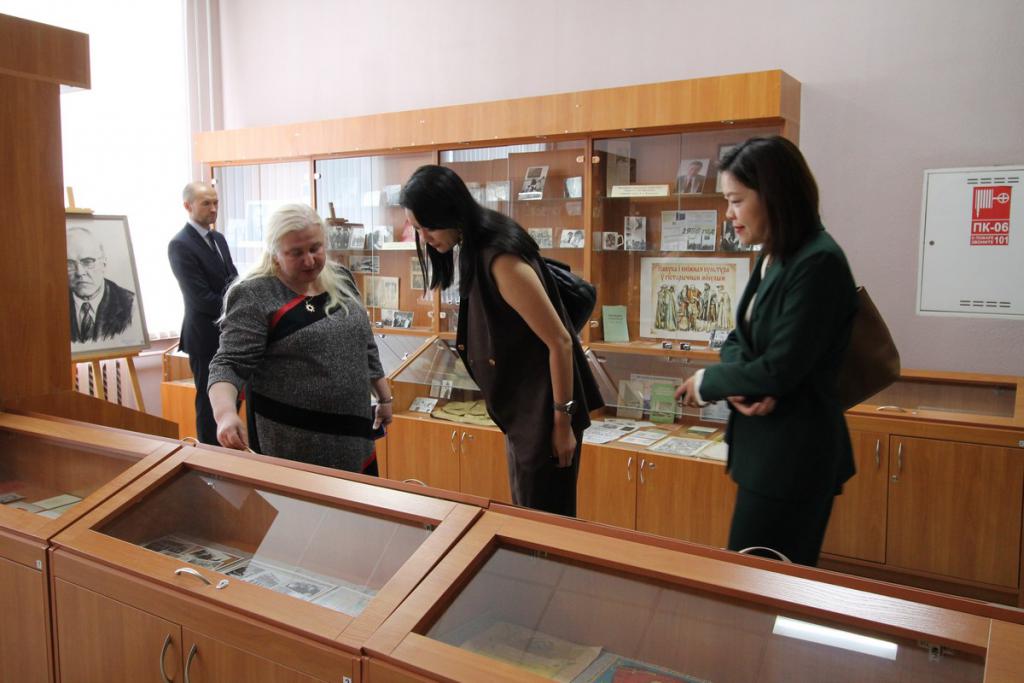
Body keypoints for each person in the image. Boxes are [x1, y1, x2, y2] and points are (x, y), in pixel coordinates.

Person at [675, 136, 858, 566]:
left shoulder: (819, 262)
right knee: (750, 574)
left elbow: (780, 368)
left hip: (793, 459)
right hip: (764, 453)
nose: (729, 214)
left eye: (736, 201)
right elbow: (739, 340)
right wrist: (744, 385)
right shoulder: (774, 254)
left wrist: (708, 382)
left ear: (774, 195)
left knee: (763, 579)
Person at [401, 165, 603, 516]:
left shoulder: (499, 258)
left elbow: (560, 342)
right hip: (526, 409)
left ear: (449, 213)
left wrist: (562, 424)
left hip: (546, 410)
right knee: (527, 515)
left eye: (427, 226)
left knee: (544, 524)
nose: (424, 238)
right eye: (417, 229)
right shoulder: (475, 246)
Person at [207, 203, 391, 473]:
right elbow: (228, 365)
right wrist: (225, 415)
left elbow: (364, 343)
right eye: (296, 253)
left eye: (315, 248)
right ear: (274, 254)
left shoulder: (341, 278)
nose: (309, 260)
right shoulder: (255, 294)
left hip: (355, 435)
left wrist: (384, 398)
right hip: (294, 442)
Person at [169, 182, 238, 444]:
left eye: (215, 202)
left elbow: (233, 280)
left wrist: (244, 300)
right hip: (204, 336)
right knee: (210, 404)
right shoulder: (180, 244)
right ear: (188, 206)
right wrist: (237, 308)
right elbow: (200, 298)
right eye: (206, 203)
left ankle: (231, 453)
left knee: (231, 401)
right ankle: (209, 455)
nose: (213, 208)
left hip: (228, 334)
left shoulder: (218, 239)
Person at [67, 227, 135, 343]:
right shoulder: (51, 308)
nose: (80, 272)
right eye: (69, 264)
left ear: (104, 263)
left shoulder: (130, 304)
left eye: (88, 262)